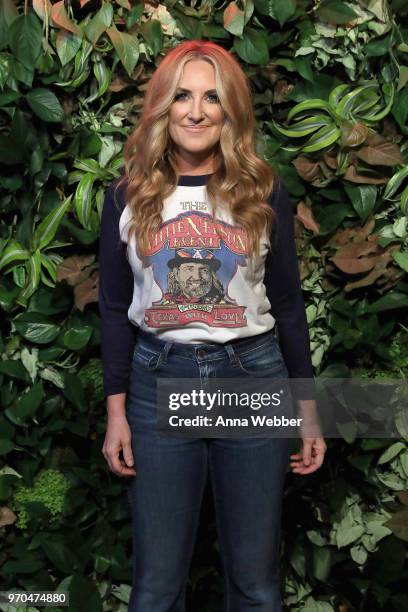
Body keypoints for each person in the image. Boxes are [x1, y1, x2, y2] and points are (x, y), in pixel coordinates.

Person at [99, 39, 327, 612]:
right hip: (158, 383)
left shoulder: (262, 191)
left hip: (252, 379)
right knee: (155, 588)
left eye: (211, 98)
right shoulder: (126, 196)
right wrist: (117, 413)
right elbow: (112, 308)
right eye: (182, 96)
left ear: (230, 112)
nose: (196, 111)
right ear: (162, 107)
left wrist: (309, 413)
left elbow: (289, 306)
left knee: (255, 583)